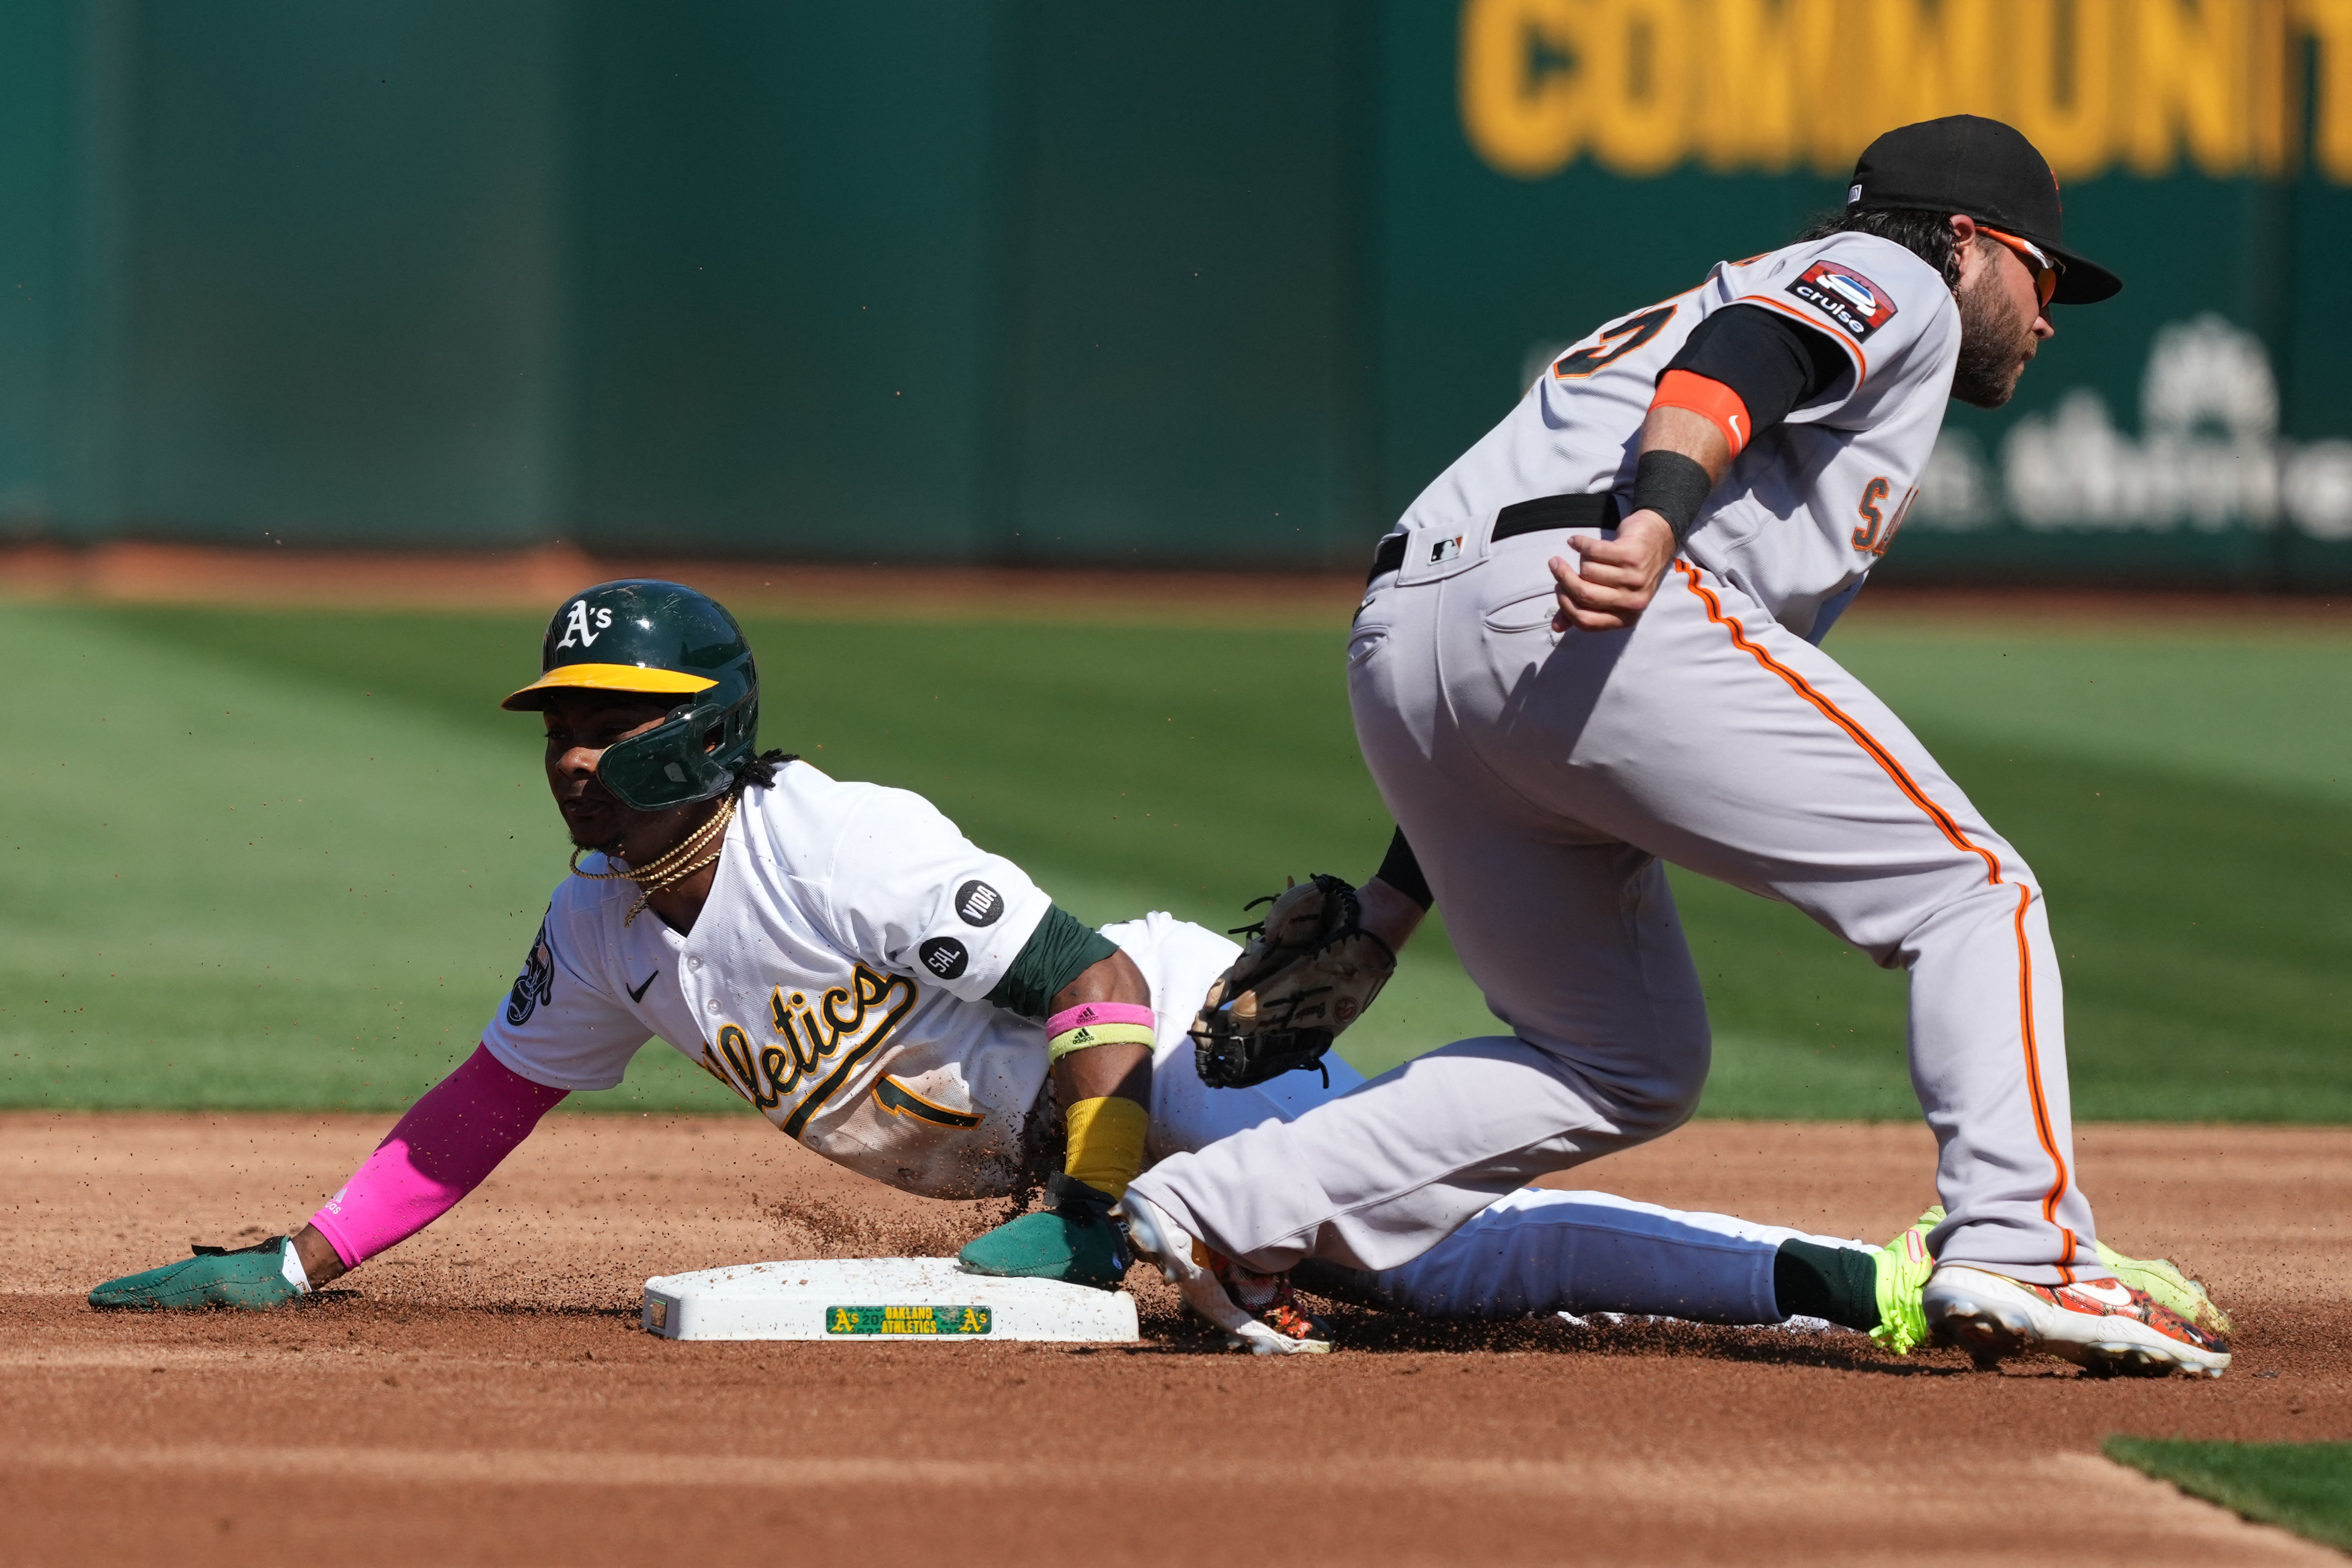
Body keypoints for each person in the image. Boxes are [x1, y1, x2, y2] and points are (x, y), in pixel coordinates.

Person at [87, 580, 2225, 1362]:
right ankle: (1843, 1281)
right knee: (1390, 1286)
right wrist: (302, 1260)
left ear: (693, 730)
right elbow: (486, 1100)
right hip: (1092, 1143)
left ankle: (1861, 1280)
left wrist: (1103, 1205)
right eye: (555, 720)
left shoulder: (836, 840)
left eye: (600, 717)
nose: (565, 748)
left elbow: (1094, 985)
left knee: (1406, 1267)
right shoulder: (598, 926)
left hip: (1174, 1065)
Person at [1118, 116, 2235, 1378]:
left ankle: (1231, 1206)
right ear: (1970, 241)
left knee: (1620, 1056)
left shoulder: (1785, 299)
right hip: (1598, 587)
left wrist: (1394, 897)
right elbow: (1745, 357)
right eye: (2044, 272)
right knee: (1972, 890)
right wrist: (1657, 523)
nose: (2049, 312)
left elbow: (1494, 656)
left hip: (1415, 630)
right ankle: (2024, 1244)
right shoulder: (1902, 275)